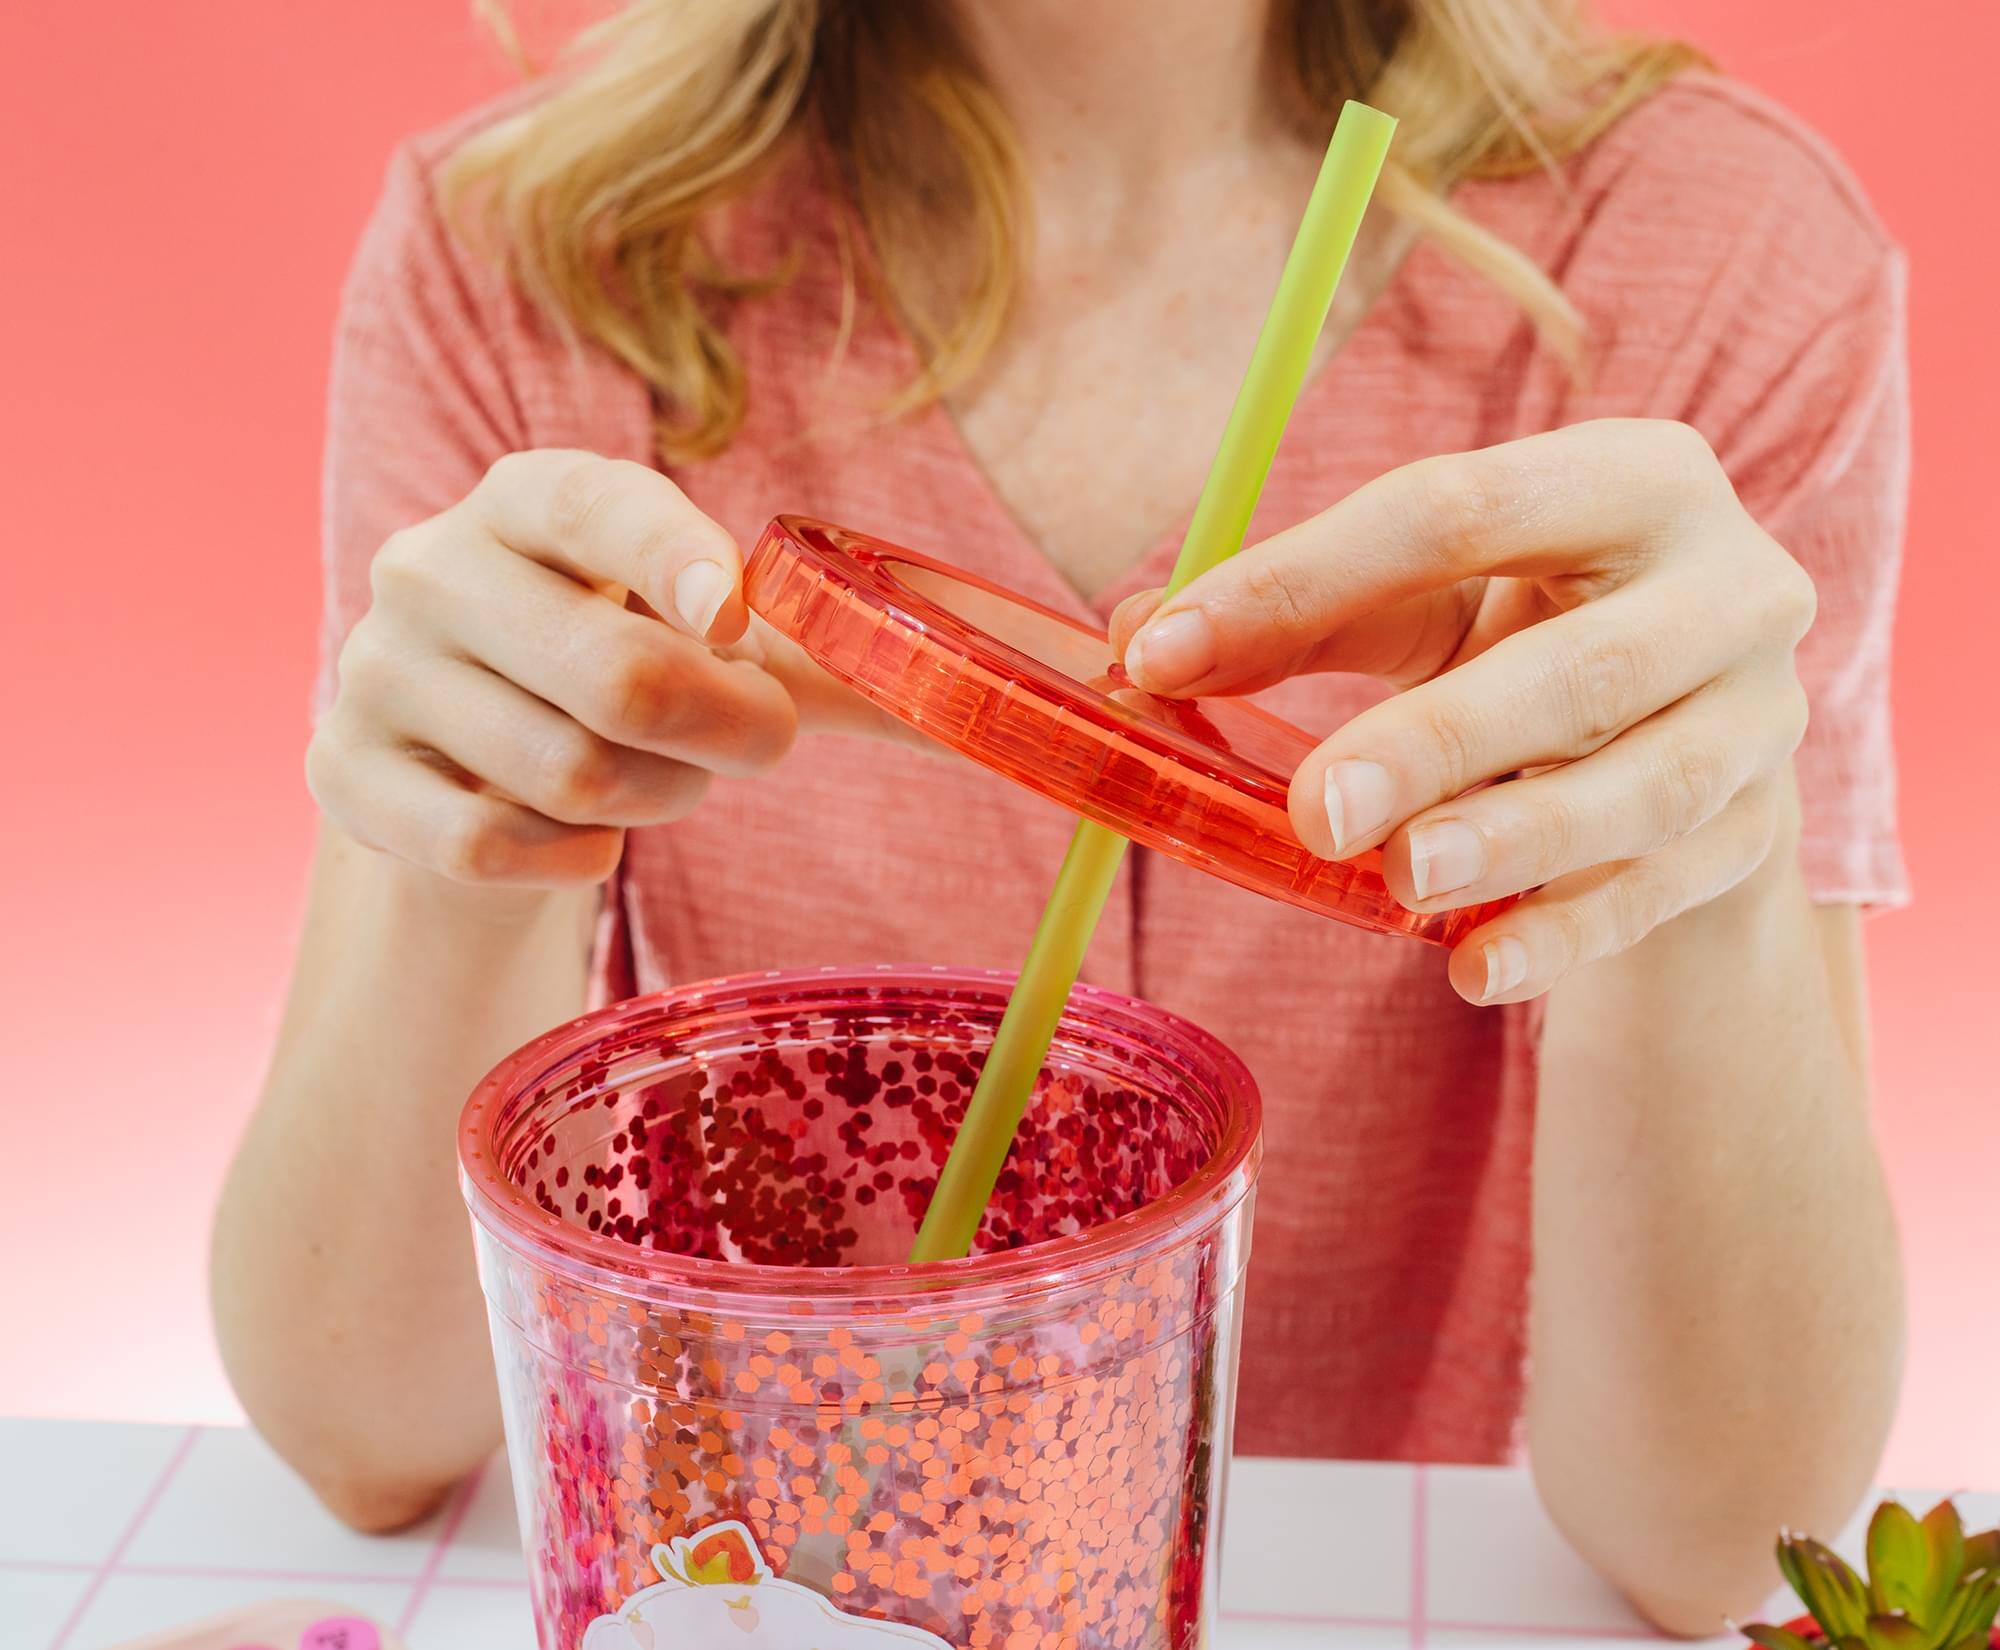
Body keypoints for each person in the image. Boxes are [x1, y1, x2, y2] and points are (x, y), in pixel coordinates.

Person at [211, 1, 1910, 1630]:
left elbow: (1717, 1540)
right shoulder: (525, 249)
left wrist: (1693, 859)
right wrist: (467, 840)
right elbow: (363, 1427)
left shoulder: (1718, 256)